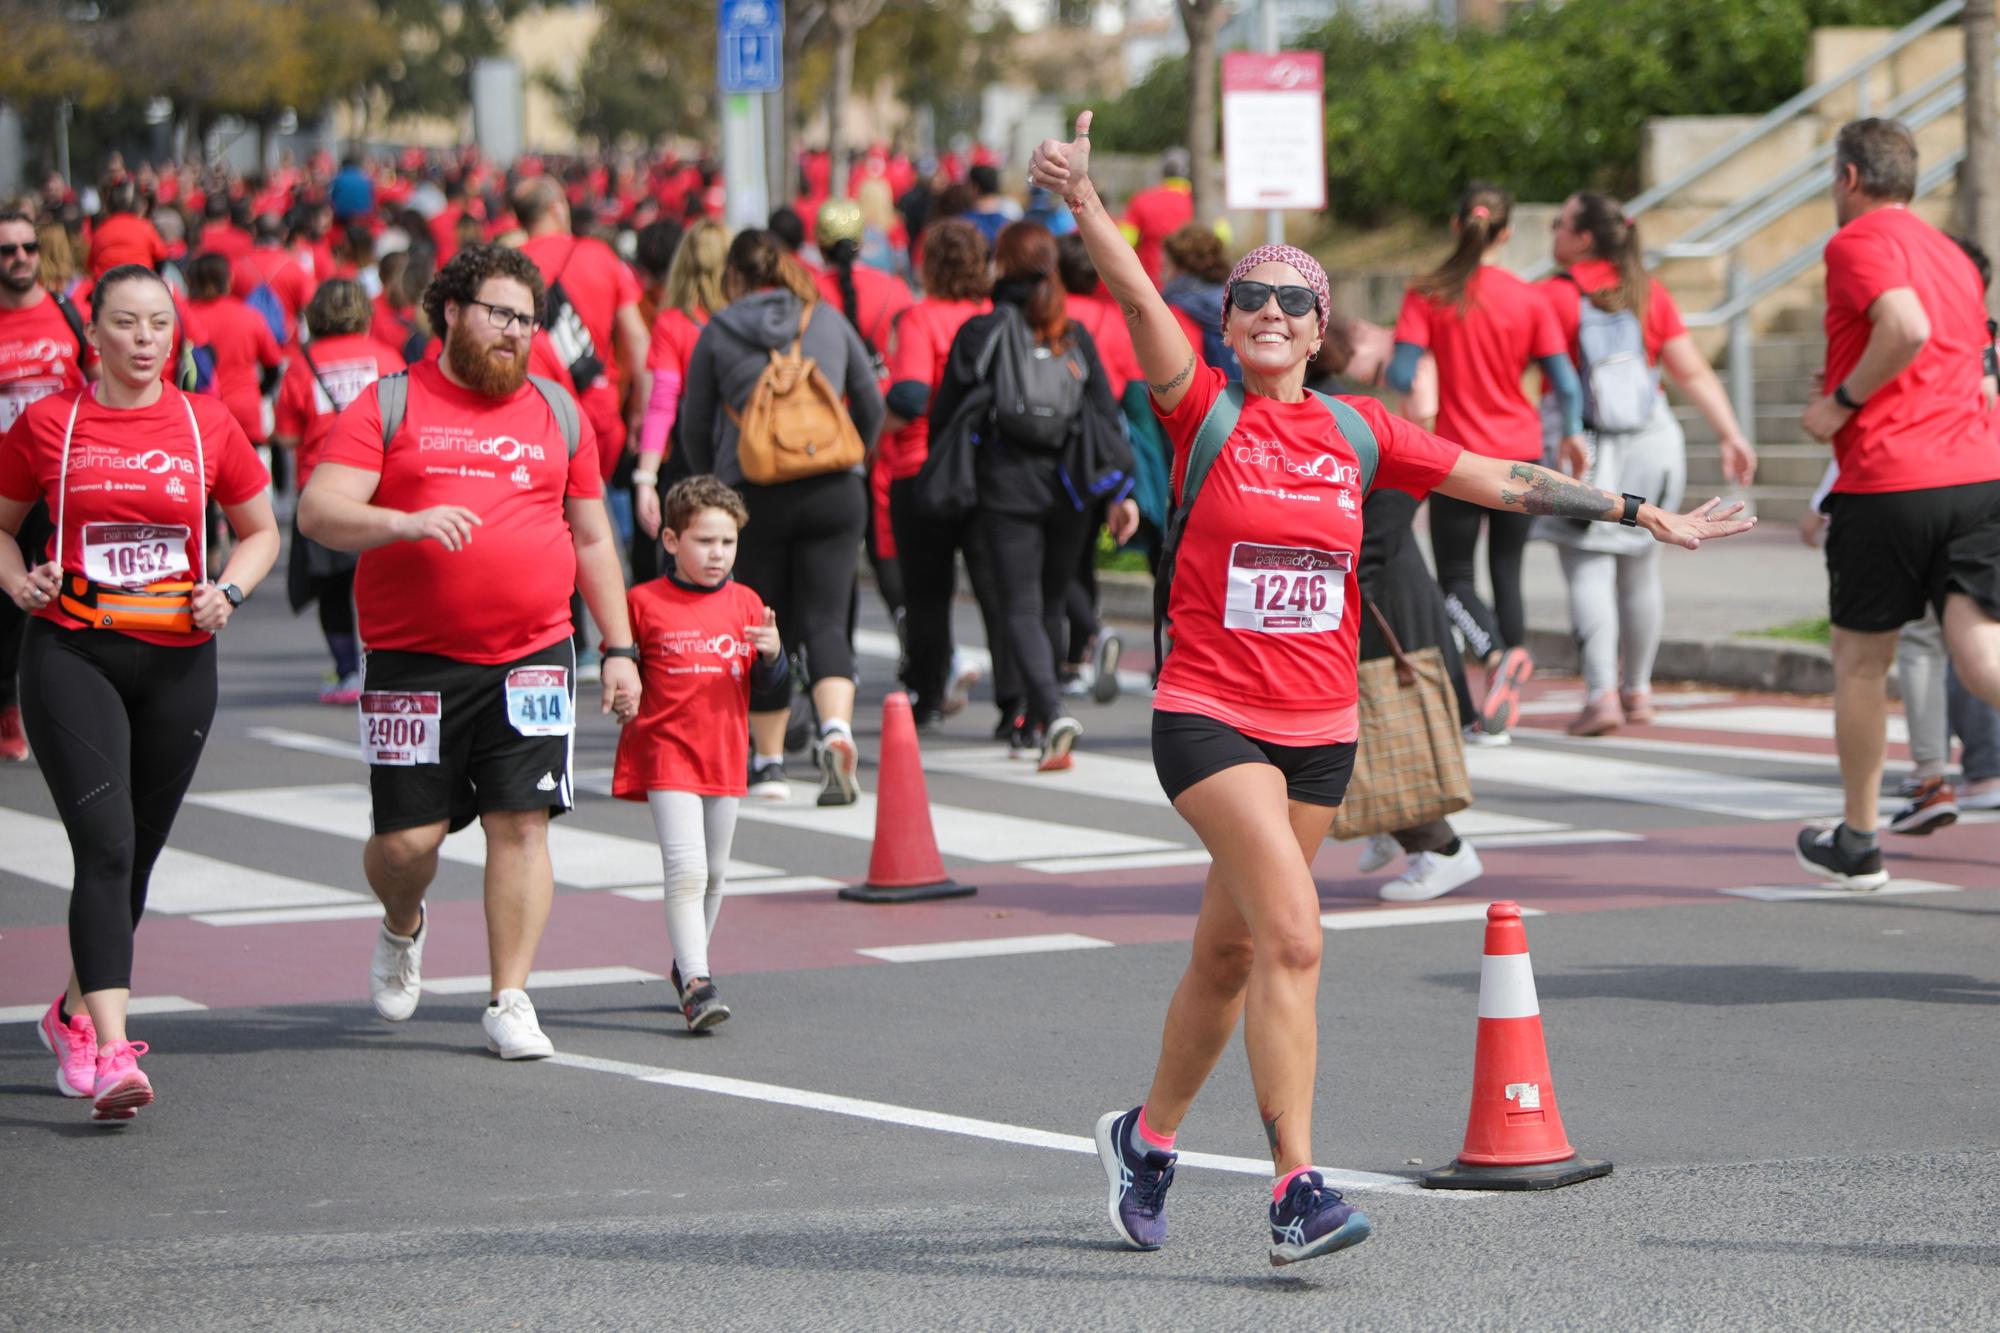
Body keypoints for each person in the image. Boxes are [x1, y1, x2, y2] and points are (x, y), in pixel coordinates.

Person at [1031, 111, 1750, 1266]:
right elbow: (1132, 297)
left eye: (1291, 303)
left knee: (1228, 953)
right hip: (1207, 715)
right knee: (1297, 940)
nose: (1267, 312)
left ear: (1320, 332)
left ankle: (1142, 1135)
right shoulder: (1199, 410)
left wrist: (1633, 509)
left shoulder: (1361, 434)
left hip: (1322, 734)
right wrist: (1083, 204)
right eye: (1249, 300)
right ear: (1226, 328)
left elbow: (1504, 478)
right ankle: (1294, 1190)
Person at [297, 243, 643, 1059]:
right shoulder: (389, 403)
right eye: (498, 313)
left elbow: (592, 535)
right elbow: (316, 509)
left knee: (522, 824)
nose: (514, 332)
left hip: (532, 653)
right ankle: (401, 919)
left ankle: (510, 995)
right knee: (407, 844)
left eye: (527, 320)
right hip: (412, 662)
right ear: (450, 311)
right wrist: (402, 523)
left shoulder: (558, 412)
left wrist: (619, 646)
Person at [0, 263, 279, 1121]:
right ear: (94, 335)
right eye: (126, 322)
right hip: (74, 655)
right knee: (107, 844)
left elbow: (262, 530)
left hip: (180, 662)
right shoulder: (52, 422)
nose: (145, 338)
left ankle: (69, 1012)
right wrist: (17, 582)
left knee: (137, 858)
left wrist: (227, 591)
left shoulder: (207, 422)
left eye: (159, 322)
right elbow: (0, 526)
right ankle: (109, 1052)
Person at [1794, 118, 2000, 890]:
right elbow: (1974, 359)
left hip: (1891, 476)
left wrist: (1841, 402)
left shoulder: (1855, 243)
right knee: (1980, 655)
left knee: (1860, 661)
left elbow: (1905, 326)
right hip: (1980, 470)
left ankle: (1858, 840)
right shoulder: (1954, 252)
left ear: (1849, 177)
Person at [1537, 191, 1758, 735]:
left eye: (1559, 224)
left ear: (1583, 237)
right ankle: (1638, 692)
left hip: (1584, 447)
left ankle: (1600, 696)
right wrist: (1731, 434)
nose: (1553, 233)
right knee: (1639, 568)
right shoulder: (1647, 292)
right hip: (1653, 438)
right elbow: (1694, 373)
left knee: (1586, 565)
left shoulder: (1552, 296)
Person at [677, 230, 884, 805]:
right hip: (836, 489)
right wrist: (850, 459)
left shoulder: (719, 331)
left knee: (764, 624)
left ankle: (768, 764)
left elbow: (693, 424)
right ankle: (837, 732)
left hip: (753, 491)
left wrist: (718, 486)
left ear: (734, 279)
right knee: (825, 617)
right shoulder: (827, 318)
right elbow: (870, 402)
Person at [930, 220, 1139, 769]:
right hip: (1071, 487)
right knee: (1050, 601)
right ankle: (1037, 714)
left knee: (1017, 603)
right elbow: (1104, 416)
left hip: (1005, 485)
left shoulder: (983, 331)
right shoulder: (1072, 331)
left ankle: (1045, 709)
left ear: (1002, 264)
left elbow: (945, 414)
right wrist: (1121, 491)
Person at [1389, 183, 1586, 741]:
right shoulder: (1531, 298)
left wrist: (1414, 386)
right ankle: (1509, 674)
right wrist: (1570, 435)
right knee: (1508, 571)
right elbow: (1567, 385)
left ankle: (1497, 653)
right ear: (1506, 233)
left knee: (1454, 580)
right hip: (1522, 452)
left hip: (1457, 458)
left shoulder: (1428, 293)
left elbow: (1402, 373)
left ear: (1457, 227)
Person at [613, 475, 786, 1032]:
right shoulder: (641, 603)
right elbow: (619, 668)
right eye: (704, 541)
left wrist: (774, 657)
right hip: (666, 749)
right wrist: (619, 689)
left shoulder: (747, 603)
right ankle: (697, 983)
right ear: (670, 541)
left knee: (715, 874)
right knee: (685, 869)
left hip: (726, 750)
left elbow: (771, 691)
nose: (717, 554)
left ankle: (688, 963)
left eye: (728, 543)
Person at [883, 218, 1002, 729]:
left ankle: (928, 693)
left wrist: (874, 429)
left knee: (926, 589)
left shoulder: (919, 318)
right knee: (996, 589)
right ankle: (1015, 700)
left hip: (922, 466)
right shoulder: (995, 316)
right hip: (986, 468)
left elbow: (909, 395)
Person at [272, 279, 404, 704]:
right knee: (384, 581)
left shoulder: (300, 363)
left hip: (323, 486)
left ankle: (348, 672)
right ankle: (385, 664)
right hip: (382, 486)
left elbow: (287, 437)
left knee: (331, 588)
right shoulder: (387, 357)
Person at [0, 209, 93, 764]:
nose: (20, 259)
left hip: (63, 477)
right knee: (10, 602)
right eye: (7, 250)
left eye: (28, 248)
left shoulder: (65, 311)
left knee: (68, 591)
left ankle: (72, 705)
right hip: (6, 486)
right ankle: (8, 705)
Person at [513, 176, 651, 485]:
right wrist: (641, 412)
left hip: (534, 411)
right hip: (598, 409)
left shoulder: (509, 265)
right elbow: (638, 338)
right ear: (556, 208)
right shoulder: (599, 255)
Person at [184, 253, 283, 447]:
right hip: (244, 411)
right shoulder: (249, 315)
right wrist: (259, 392)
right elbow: (273, 366)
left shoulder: (183, 318)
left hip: (199, 414)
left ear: (190, 280)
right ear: (229, 279)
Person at [1160, 223, 1239, 383]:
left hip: (1205, 401)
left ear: (1182, 269)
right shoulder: (1237, 303)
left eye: (1165, 267)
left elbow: (1179, 376)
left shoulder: (1176, 312)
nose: (1161, 275)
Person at [1120, 149, 1195, 288]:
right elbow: (1222, 238)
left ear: (1163, 171)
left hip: (1153, 287)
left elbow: (1124, 243)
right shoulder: (1199, 203)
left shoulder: (1141, 200)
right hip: (1194, 287)